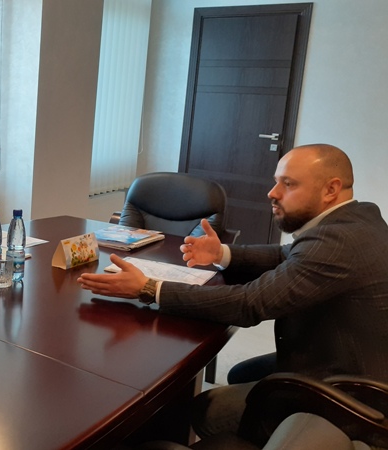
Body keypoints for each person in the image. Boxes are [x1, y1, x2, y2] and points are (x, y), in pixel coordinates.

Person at [78, 144, 388, 436]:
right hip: (335, 354)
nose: (272, 193)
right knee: (241, 374)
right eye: (276, 181)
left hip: (350, 392)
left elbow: (249, 304)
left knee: (205, 411)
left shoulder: (337, 242)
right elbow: (286, 255)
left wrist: (149, 288)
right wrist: (222, 253)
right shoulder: (356, 219)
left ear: (331, 189)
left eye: (288, 184)